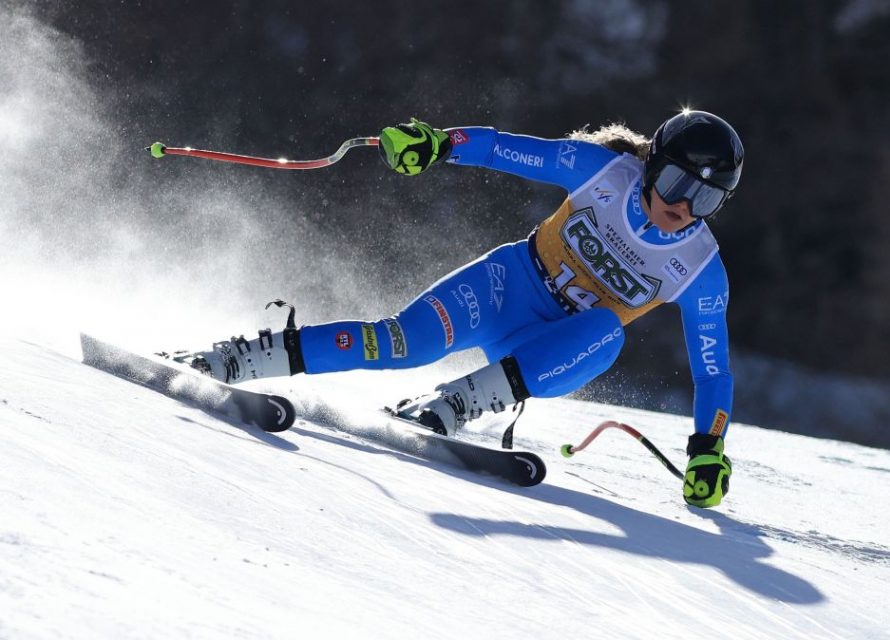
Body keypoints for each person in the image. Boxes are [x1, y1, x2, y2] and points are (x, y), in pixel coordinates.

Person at [183, 110, 742, 508]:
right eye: (676, 182)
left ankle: (451, 405)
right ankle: (238, 359)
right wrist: (438, 144)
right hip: (506, 287)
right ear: (651, 166)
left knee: (606, 332)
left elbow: (713, 370)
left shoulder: (700, 269)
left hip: (545, 350)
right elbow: (501, 149)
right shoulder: (602, 172)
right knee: (402, 343)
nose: (683, 205)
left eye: (706, 198)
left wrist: (707, 449)